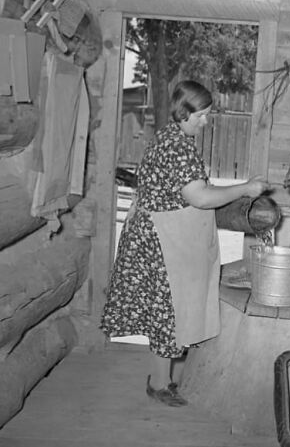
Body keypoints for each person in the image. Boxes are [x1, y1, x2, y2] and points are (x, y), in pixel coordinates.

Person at [100, 80, 270, 406]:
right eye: (202, 116)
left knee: (166, 312)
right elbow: (200, 197)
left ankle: (161, 379)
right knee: (169, 311)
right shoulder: (177, 147)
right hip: (161, 241)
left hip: (154, 234)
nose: (205, 122)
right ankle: (160, 384)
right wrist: (245, 189)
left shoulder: (169, 137)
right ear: (184, 112)